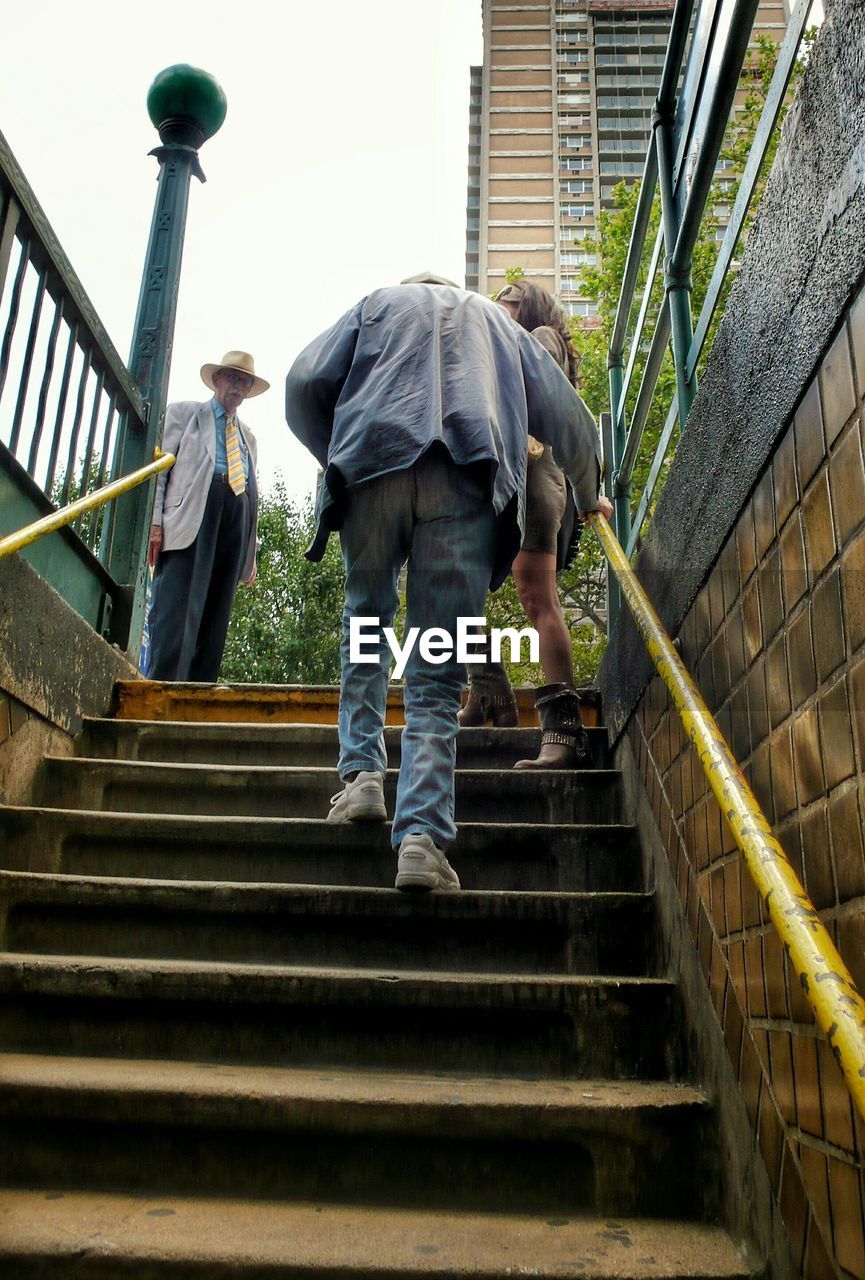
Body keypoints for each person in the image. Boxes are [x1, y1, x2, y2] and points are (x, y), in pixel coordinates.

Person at [285, 277, 612, 895]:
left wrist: (338, 452)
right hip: (463, 473)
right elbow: (569, 419)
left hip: (370, 466)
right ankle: (421, 838)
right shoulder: (500, 325)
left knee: (367, 622)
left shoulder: (376, 305)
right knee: (437, 667)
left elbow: (303, 384)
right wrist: (591, 494)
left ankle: (359, 778)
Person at [459, 280, 595, 770]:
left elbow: (550, 412)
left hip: (535, 477)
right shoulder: (523, 339)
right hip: (508, 475)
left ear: (528, 306)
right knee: (463, 583)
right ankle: (485, 695)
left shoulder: (540, 337)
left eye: (507, 306)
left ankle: (562, 732)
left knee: (537, 598)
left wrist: (589, 493)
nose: (500, 315)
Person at [146, 350, 268, 682]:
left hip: (234, 520)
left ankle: (199, 689)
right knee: (179, 606)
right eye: (232, 377)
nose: (238, 387)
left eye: (244, 381)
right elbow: (160, 472)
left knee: (216, 613)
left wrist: (250, 552)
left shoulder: (250, 439)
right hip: (193, 514)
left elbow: (252, 496)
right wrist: (155, 523)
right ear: (216, 379)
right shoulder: (184, 415)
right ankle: (165, 688)